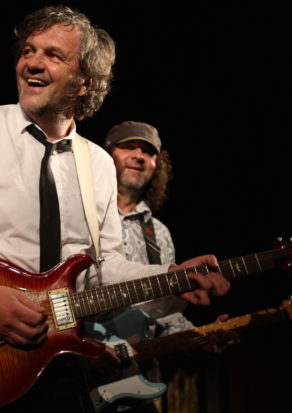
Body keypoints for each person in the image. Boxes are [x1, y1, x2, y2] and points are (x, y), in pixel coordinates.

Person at [0, 5, 230, 413]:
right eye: (28, 50)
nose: (31, 63)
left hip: (61, 370)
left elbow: (101, 269)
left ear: (85, 82)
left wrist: (168, 277)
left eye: (53, 55)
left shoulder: (98, 164)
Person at [83, 121, 238, 413]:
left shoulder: (159, 233)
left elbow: (163, 317)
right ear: (107, 154)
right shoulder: (81, 213)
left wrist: (199, 337)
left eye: (148, 151)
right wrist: (83, 351)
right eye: (128, 147)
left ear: (158, 165)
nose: (138, 156)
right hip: (76, 374)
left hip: (135, 383)